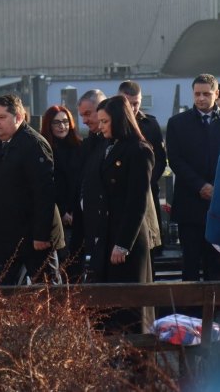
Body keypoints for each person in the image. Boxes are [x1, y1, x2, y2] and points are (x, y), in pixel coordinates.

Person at [91, 95, 156, 332]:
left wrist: (123, 244)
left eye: (105, 122)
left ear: (119, 120)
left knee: (130, 312)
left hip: (125, 241)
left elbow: (137, 202)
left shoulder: (139, 150)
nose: (101, 127)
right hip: (107, 236)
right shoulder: (108, 147)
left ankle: (137, 365)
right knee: (108, 311)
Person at [0, 95, 63, 285]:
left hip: (35, 238)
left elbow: (44, 192)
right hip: (9, 235)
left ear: (19, 117)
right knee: (3, 292)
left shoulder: (33, 144)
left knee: (48, 291)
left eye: (2, 117)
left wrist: (41, 235)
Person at [167, 74, 220, 281]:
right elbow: (176, 160)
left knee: (215, 267)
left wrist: (216, 189)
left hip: (217, 207)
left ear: (216, 94)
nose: (201, 98)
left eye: (206, 94)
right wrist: (201, 186)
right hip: (190, 204)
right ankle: (190, 312)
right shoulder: (178, 123)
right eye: (197, 94)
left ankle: (215, 313)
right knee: (190, 265)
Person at [118, 80, 166, 252]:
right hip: (121, 190)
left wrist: (147, 181)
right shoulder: (112, 124)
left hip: (148, 190)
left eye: (136, 103)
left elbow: (160, 159)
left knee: (150, 245)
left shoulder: (150, 125)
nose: (132, 108)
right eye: (128, 103)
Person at [40, 105, 84, 279]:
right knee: (62, 264)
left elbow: (82, 181)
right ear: (49, 125)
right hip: (57, 213)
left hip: (78, 213)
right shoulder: (44, 148)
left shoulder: (80, 147)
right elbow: (48, 185)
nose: (62, 126)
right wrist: (63, 210)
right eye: (56, 122)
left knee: (77, 266)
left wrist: (75, 209)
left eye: (65, 122)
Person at [77, 89, 108, 261]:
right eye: (82, 115)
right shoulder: (89, 144)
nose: (84, 120)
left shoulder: (116, 143)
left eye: (88, 114)